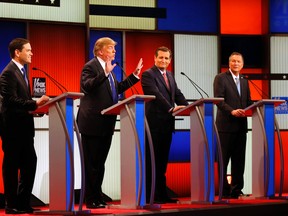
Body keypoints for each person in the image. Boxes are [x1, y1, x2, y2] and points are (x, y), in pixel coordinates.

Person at [77, 37, 143, 209]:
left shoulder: (110, 69)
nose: (114, 51)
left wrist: (134, 76)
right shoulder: (91, 66)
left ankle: (98, 197)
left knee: (100, 164)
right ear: (100, 51)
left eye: (115, 48)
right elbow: (87, 86)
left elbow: (117, 89)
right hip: (92, 123)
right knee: (91, 164)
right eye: (111, 48)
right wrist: (104, 73)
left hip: (107, 123)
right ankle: (90, 199)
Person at [0, 38, 49, 214]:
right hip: (12, 129)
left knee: (30, 164)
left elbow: (22, 102)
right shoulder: (8, 72)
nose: (31, 53)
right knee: (12, 167)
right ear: (17, 52)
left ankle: (22, 203)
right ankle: (11, 205)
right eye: (28, 50)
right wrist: (35, 104)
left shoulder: (21, 71)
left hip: (25, 128)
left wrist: (38, 109)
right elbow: (11, 100)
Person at [141, 46, 188, 204]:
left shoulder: (170, 74)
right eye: (161, 57)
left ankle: (161, 195)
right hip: (153, 125)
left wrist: (188, 107)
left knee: (162, 163)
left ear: (170, 60)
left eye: (166, 58)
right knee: (151, 161)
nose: (163, 61)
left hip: (167, 124)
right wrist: (171, 107)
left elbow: (178, 94)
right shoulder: (148, 74)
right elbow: (156, 94)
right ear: (155, 58)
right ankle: (149, 196)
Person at [213, 52, 252, 198]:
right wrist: (232, 111)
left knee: (239, 160)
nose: (236, 64)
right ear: (229, 63)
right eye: (233, 61)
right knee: (223, 160)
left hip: (241, 126)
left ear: (242, 64)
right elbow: (219, 100)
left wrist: (256, 107)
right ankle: (223, 191)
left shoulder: (244, 80)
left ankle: (236, 190)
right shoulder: (221, 78)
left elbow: (247, 102)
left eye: (238, 62)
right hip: (225, 126)